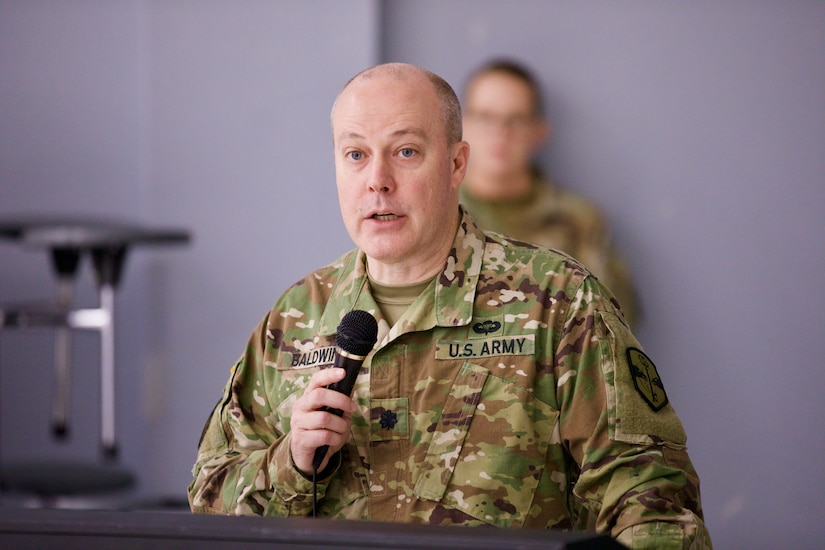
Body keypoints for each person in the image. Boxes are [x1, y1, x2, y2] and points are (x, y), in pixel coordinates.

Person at [188, 62, 711, 548]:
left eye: (407, 151)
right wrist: (292, 464)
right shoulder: (294, 316)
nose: (377, 180)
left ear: (457, 163)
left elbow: (654, 502)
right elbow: (208, 498)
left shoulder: (558, 302)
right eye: (356, 154)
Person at [460, 59, 640, 326]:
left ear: (539, 131)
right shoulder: (437, 214)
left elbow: (614, 323)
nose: (500, 133)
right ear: (463, 124)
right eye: (486, 117)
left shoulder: (580, 221)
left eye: (516, 120)